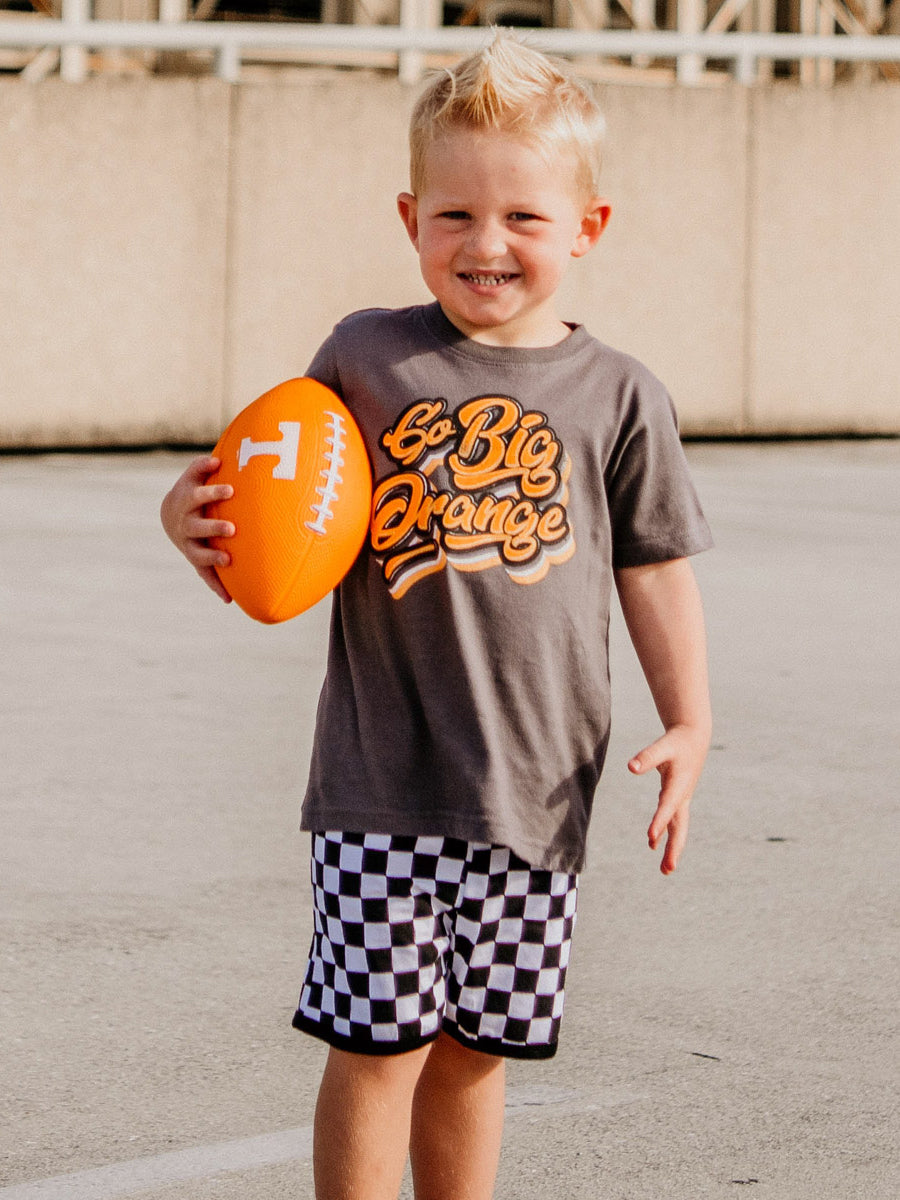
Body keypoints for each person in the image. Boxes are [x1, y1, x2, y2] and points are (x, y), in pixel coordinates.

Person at [160, 30, 713, 1200]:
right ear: (410, 219)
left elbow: (655, 567)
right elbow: (270, 487)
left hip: (536, 787)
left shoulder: (618, 394)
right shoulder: (366, 359)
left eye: (522, 216)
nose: (487, 243)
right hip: (381, 781)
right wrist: (191, 516)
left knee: (475, 1053)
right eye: (454, 216)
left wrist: (690, 720)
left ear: (586, 228)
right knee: (376, 1048)